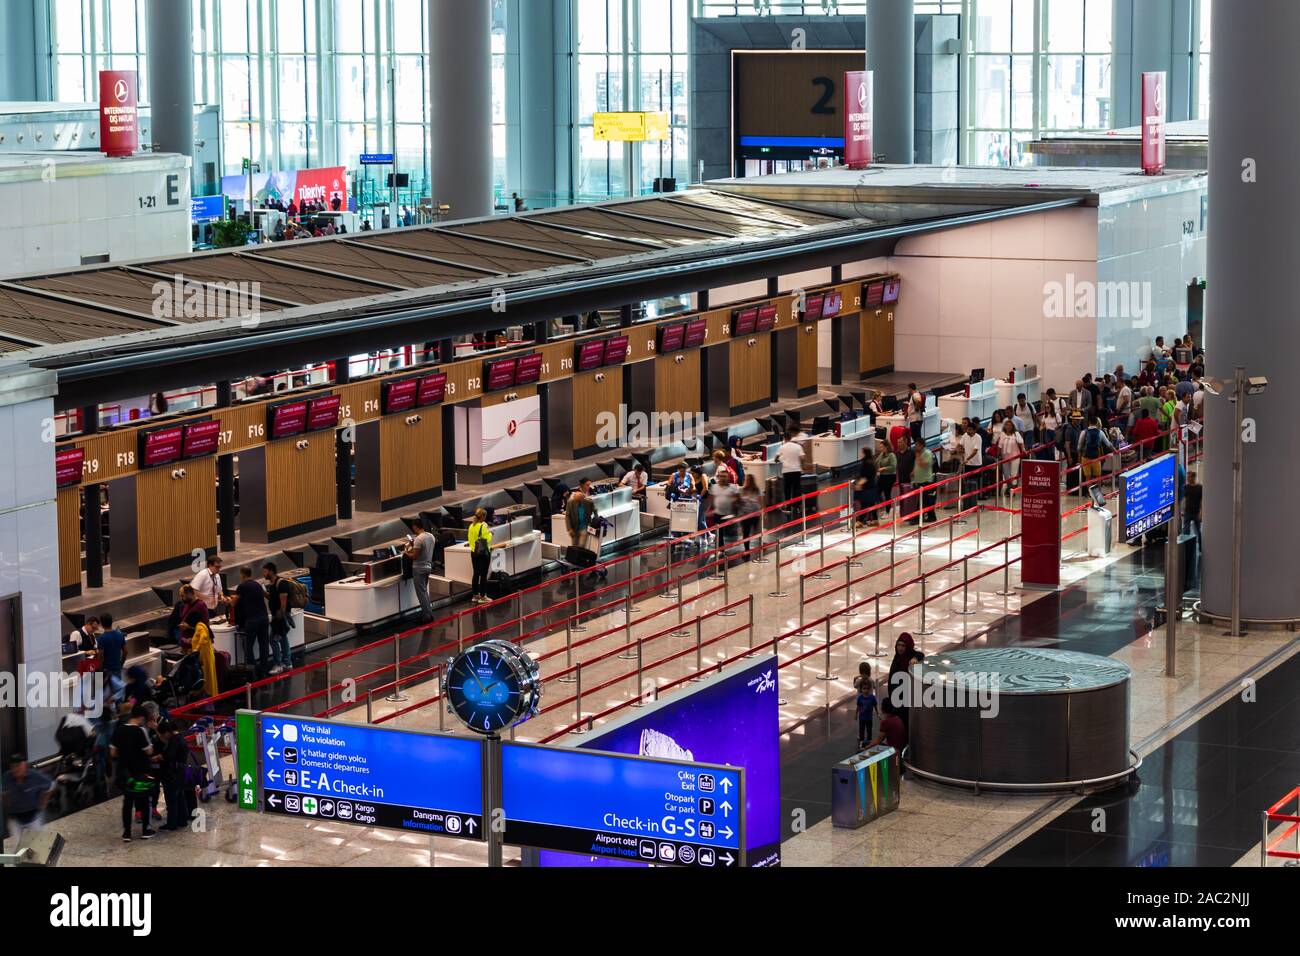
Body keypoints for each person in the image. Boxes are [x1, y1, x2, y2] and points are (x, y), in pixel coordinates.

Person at [111, 704, 157, 842]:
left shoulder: (118, 730)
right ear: (142, 717)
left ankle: (126, 833)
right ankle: (146, 830)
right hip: (140, 772)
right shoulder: (140, 731)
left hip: (124, 774)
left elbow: (113, 752)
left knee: (127, 802)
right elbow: (149, 751)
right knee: (144, 800)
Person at [2, 753, 55, 844]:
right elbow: (3, 792)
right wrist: (7, 804)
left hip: (33, 817)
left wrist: (44, 801)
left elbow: (51, 785)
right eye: (12, 766)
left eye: (18, 766)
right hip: (15, 819)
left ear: (25, 765)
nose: (15, 769)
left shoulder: (35, 776)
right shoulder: (7, 777)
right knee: (18, 849)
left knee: (37, 848)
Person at [880, 633, 925, 737]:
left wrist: (915, 658)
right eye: (898, 645)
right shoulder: (897, 658)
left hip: (906, 699)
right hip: (896, 697)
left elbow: (920, 654)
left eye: (903, 645)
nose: (900, 648)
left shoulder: (910, 657)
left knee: (905, 722)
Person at [232, 567, 271, 678]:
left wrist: (228, 600)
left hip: (252, 620)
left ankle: (252, 669)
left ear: (242, 574)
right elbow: (267, 596)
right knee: (263, 645)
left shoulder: (242, 586)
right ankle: (263, 670)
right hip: (264, 618)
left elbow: (233, 603)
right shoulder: (257, 584)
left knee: (248, 646)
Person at [156, 720, 190, 832]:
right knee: (180, 796)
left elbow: (169, 756)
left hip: (172, 774)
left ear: (166, 732)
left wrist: (161, 757)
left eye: (162, 734)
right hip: (180, 772)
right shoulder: (180, 737)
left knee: (171, 799)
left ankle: (172, 823)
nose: (161, 736)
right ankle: (182, 820)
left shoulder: (174, 741)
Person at [403, 518, 437, 624]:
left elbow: (414, 556)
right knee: (424, 592)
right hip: (428, 566)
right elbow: (425, 549)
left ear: (415, 527)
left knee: (421, 593)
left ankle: (427, 616)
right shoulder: (431, 536)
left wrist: (406, 552)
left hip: (419, 568)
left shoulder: (419, 539)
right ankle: (429, 613)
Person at [263, 563, 294, 673]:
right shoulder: (273, 584)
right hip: (278, 615)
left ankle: (278, 664)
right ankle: (287, 663)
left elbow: (283, 602)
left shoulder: (281, 583)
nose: (264, 574)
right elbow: (272, 598)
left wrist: (278, 619)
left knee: (273, 639)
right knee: (283, 639)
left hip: (280, 616)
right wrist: (263, 592)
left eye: (265, 571)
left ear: (271, 571)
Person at [181, 611, 218, 698]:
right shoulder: (200, 626)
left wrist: (196, 649)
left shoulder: (199, 626)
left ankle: (208, 698)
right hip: (206, 656)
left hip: (205, 657)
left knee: (206, 679)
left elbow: (204, 637)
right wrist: (191, 641)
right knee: (209, 678)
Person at [96, 612, 127, 700]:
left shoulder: (102, 638)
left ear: (101, 624)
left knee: (106, 695)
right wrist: (121, 663)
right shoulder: (119, 635)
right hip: (117, 668)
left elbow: (100, 656)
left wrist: (99, 669)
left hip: (106, 670)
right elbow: (125, 651)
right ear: (111, 621)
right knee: (118, 692)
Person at [1077, 413, 1114, 485]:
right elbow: (1108, 444)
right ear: (1096, 422)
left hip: (1085, 457)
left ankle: (1090, 494)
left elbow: (1079, 446)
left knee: (1088, 477)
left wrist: (1079, 458)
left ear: (1089, 422)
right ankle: (1098, 494)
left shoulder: (1084, 432)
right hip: (1096, 458)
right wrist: (1115, 450)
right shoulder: (1100, 432)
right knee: (1098, 477)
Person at [467, 508, 494, 604]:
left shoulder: (471, 526)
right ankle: (483, 596)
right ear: (482, 516)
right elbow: (487, 539)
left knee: (476, 573)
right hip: (483, 553)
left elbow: (470, 539)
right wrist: (491, 534)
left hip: (474, 552)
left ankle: (475, 595)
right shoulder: (483, 525)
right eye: (485, 516)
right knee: (483, 575)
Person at [190, 555, 226, 620]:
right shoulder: (202, 574)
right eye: (217, 567)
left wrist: (221, 596)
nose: (219, 569)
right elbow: (193, 590)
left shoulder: (217, 575)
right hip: (202, 609)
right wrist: (206, 597)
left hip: (213, 608)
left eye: (220, 567)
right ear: (210, 565)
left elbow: (219, 589)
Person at [777, 430, 805, 512]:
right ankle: (797, 507)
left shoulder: (782, 447)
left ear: (784, 438)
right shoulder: (797, 446)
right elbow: (803, 458)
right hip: (796, 470)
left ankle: (788, 507)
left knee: (787, 489)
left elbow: (776, 458)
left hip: (787, 471)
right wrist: (801, 467)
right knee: (797, 489)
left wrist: (778, 460)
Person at [737, 474, 764, 558]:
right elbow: (739, 502)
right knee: (746, 533)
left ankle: (761, 547)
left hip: (755, 515)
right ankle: (747, 550)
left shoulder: (757, 490)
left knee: (757, 532)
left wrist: (763, 512)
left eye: (749, 480)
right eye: (746, 480)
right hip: (745, 515)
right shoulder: (742, 490)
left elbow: (761, 502)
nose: (747, 481)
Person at [995, 419, 1026, 489]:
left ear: (1013, 426)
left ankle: (1012, 489)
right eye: (1007, 425)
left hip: (1015, 456)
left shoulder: (1016, 433)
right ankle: (1009, 486)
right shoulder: (1002, 434)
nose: (1008, 427)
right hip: (1005, 457)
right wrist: (998, 455)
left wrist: (1023, 450)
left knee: (1013, 473)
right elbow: (999, 445)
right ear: (1004, 426)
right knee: (1006, 474)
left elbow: (1021, 443)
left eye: (1010, 425)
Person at [853, 663, 877, 750]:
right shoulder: (871, 680)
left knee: (861, 723)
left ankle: (861, 738)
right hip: (869, 705)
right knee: (869, 723)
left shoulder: (859, 681)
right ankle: (869, 739)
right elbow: (874, 687)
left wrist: (855, 678)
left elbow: (855, 686)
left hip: (862, 704)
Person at [853, 447, 878, 526]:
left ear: (865, 453)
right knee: (870, 503)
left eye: (862, 452)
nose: (860, 454)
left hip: (867, 487)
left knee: (865, 503)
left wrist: (858, 484)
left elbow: (866, 476)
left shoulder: (867, 463)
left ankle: (861, 521)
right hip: (870, 486)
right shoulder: (870, 462)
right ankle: (874, 519)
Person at [874, 438, 897, 513]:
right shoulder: (881, 454)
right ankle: (881, 506)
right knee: (876, 492)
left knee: (887, 493)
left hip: (889, 477)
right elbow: (876, 462)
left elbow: (893, 467)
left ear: (886, 447)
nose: (880, 449)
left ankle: (887, 511)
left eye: (882, 447)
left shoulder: (891, 455)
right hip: (882, 476)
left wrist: (884, 468)